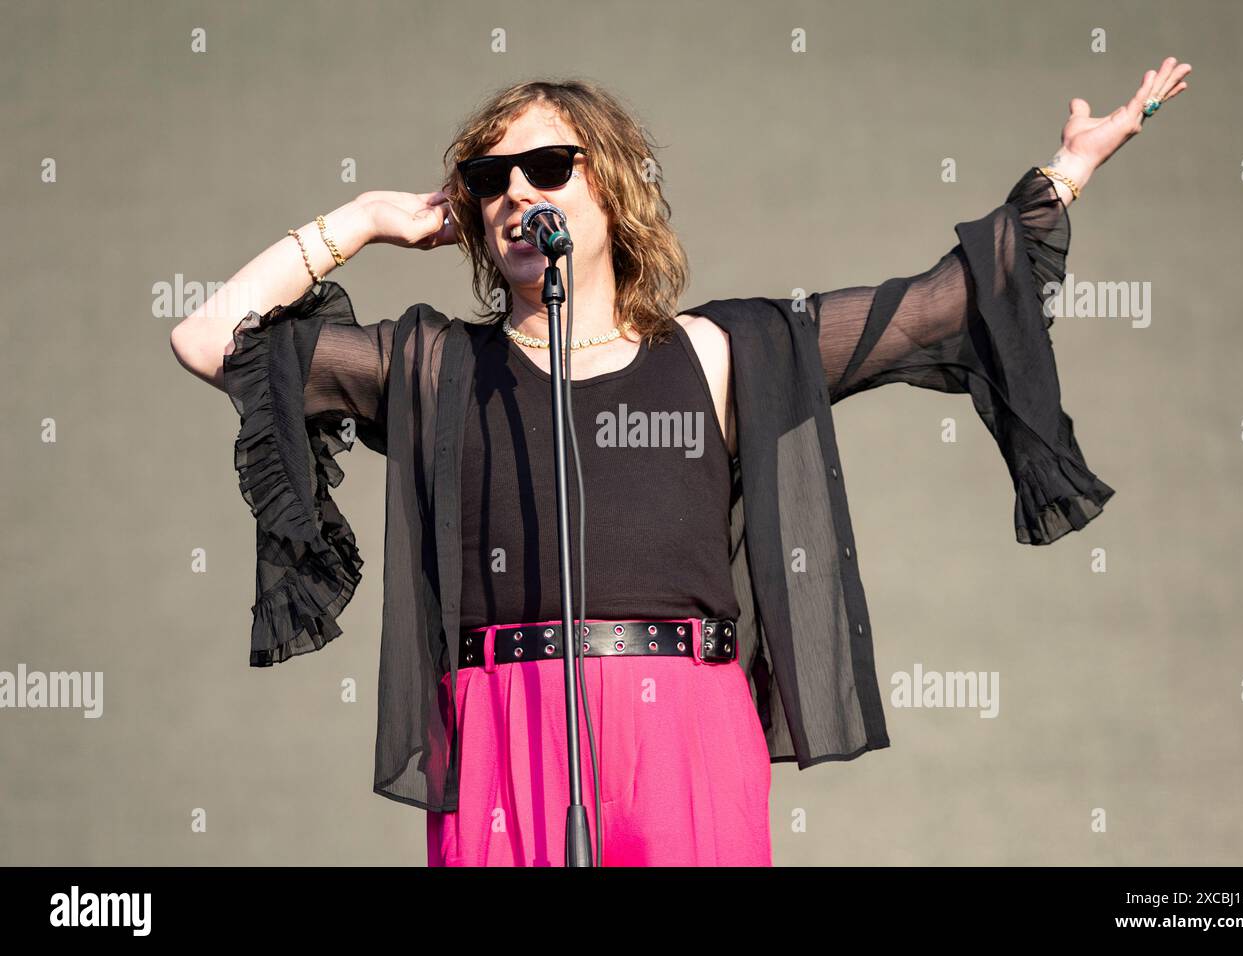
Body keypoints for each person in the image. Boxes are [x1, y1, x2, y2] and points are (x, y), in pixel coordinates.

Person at [170, 64, 1190, 867]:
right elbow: (211, 338)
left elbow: (936, 304)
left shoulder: (717, 350)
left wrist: (1063, 175)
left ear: (611, 188)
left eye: (547, 167)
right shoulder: (436, 366)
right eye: (489, 178)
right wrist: (364, 219)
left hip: (681, 722)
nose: (515, 191)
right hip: (504, 729)